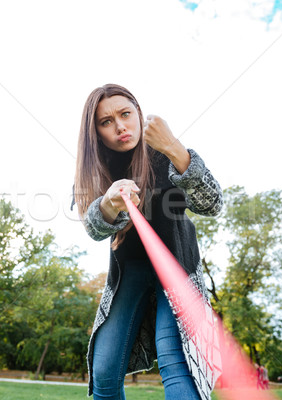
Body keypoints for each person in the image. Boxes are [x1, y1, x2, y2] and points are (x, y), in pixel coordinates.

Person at [73, 83, 223, 400]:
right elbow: (93, 228)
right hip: (129, 275)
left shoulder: (164, 153)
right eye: (106, 121)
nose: (120, 126)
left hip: (177, 270)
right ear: (96, 133)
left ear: (139, 114)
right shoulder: (97, 171)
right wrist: (108, 205)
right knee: (103, 371)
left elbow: (213, 204)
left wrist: (175, 149)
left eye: (125, 114)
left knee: (177, 361)